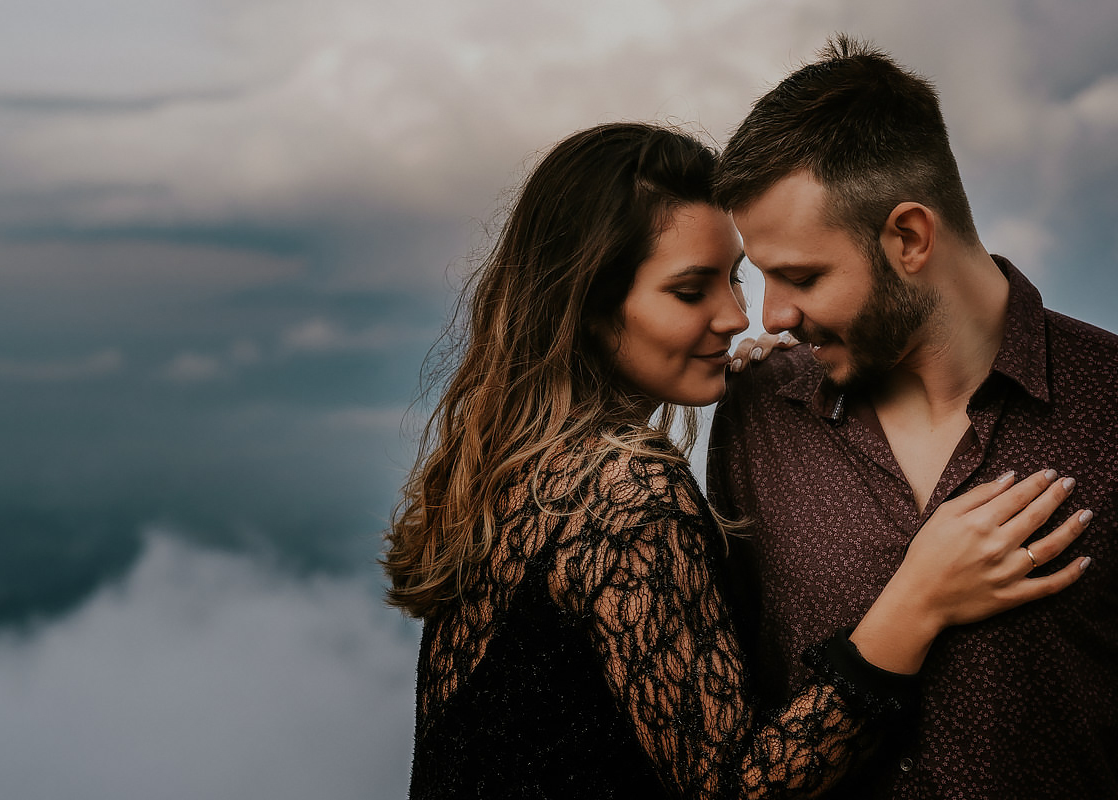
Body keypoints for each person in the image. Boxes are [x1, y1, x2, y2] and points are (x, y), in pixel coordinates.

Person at [384, 121, 1089, 799]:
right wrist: (918, 602)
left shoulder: (517, 474)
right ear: (590, 308)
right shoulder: (626, 491)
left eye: (735, 278)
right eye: (691, 291)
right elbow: (733, 788)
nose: (734, 317)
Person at [707, 36, 1117, 799]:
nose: (772, 315)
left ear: (909, 236)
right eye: (762, 275)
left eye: (801, 275)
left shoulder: (1110, 406)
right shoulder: (758, 416)